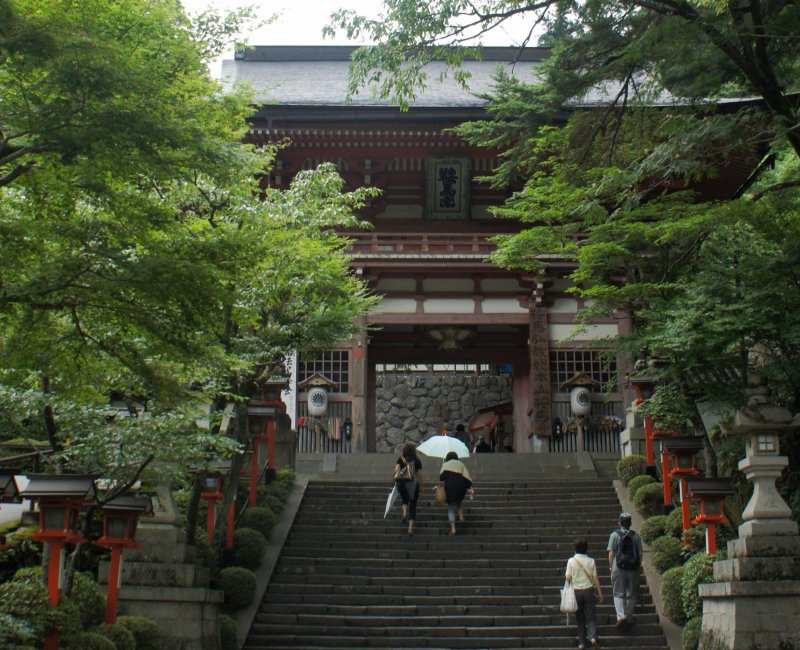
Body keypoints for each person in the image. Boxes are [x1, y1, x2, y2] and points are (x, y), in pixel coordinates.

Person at [565, 537, 604, 650]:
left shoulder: (571, 561)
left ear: (575, 548)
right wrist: (600, 593)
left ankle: (582, 643)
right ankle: (592, 637)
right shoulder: (591, 561)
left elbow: (568, 577)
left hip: (576, 592)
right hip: (589, 591)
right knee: (591, 616)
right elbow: (595, 578)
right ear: (586, 548)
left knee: (580, 618)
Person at [607, 512, 643, 630]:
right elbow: (640, 553)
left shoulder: (614, 535)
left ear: (619, 523)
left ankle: (621, 616)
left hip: (618, 568)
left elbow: (611, 553)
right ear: (630, 523)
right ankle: (628, 616)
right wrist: (637, 565)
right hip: (633, 568)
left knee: (618, 593)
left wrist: (611, 567)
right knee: (631, 594)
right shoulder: (635, 536)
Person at [438, 451, 475, 535]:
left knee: (451, 506)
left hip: (450, 487)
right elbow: (466, 477)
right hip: (460, 487)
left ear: (447, 458)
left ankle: (453, 529)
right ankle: (461, 516)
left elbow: (441, 478)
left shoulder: (445, 464)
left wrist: (444, 468)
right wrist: (469, 487)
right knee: (459, 501)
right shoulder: (461, 464)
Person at [394, 442, 423, 537]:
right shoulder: (417, 460)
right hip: (413, 485)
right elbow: (420, 475)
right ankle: (410, 528)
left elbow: (396, 470)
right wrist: (421, 486)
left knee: (404, 499)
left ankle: (404, 513)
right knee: (413, 505)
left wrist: (401, 468)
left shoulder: (401, 458)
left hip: (402, 483)